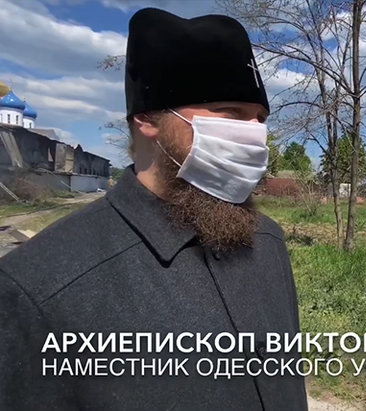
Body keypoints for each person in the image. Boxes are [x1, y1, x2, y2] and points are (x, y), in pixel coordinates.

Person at [0, 8, 307, 410]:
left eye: (260, 119)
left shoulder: (267, 240)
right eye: (231, 113)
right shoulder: (37, 288)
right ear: (147, 118)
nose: (255, 136)